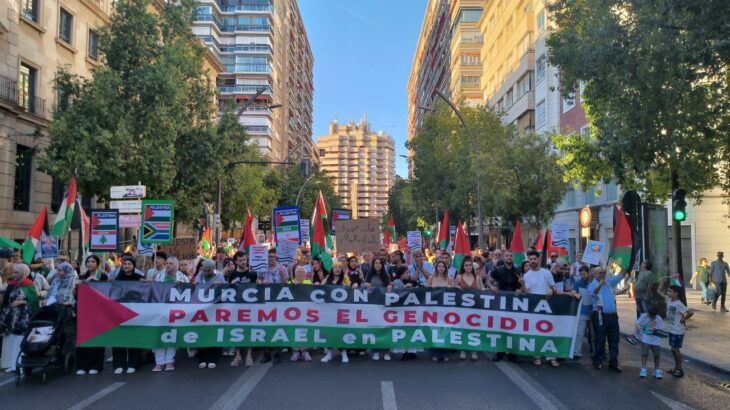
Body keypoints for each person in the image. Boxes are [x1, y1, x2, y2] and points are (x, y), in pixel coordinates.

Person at [588, 266, 629, 372]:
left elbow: (621, 275)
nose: (603, 274)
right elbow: (593, 293)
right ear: (594, 274)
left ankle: (614, 362)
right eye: (600, 273)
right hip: (600, 315)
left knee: (614, 339)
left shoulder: (609, 281)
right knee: (600, 339)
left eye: (603, 272)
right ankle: (598, 361)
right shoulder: (592, 284)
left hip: (612, 315)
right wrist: (599, 285)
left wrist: (626, 263)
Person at [523, 250, 560, 368]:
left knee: (549, 333)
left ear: (538, 259)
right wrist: (522, 286)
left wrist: (551, 291)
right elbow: (527, 292)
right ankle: (537, 356)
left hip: (547, 308)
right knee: (535, 333)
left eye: (534, 259)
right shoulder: (526, 275)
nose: (532, 261)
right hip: (533, 309)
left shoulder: (546, 273)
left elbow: (554, 287)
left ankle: (551, 357)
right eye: (530, 259)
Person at [0, 264, 40, 372]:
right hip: (11, 316)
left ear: (23, 273)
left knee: (18, 339)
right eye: (13, 272)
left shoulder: (29, 285)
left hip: (23, 316)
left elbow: (33, 300)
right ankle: (9, 364)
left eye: (16, 272)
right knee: (9, 338)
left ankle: (18, 364)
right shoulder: (11, 284)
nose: (13, 274)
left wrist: (21, 302)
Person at [487, 251, 523, 362]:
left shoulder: (518, 270)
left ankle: (513, 353)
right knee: (501, 327)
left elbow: (522, 285)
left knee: (514, 328)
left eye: (511, 256)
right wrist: (491, 287)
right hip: (501, 303)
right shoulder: (498, 270)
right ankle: (500, 352)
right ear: (503, 258)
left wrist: (520, 288)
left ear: (513, 258)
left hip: (515, 303)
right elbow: (488, 280)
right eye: (507, 255)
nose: (509, 257)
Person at [75, 255, 108, 375]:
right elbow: (76, 294)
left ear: (97, 264)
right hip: (84, 311)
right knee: (83, 337)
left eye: (93, 261)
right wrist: (80, 285)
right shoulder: (82, 277)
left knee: (97, 337)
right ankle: (82, 365)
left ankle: (96, 365)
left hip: (98, 311)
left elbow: (106, 293)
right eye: (88, 261)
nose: (90, 263)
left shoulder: (103, 276)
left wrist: (96, 283)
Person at [112, 257, 144, 374]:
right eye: (124, 263)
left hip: (135, 311)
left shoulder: (139, 278)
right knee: (119, 337)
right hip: (119, 311)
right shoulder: (117, 279)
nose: (126, 265)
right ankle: (119, 364)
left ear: (133, 266)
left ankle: (133, 363)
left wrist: (146, 284)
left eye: (129, 263)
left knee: (133, 337)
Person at [658, 279, 693, 378]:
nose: (668, 293)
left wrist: (684, 319)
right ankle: (676, 367)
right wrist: (662, 281)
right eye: (668, 291)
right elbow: (659, 291)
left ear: (676, 293)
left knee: (675, 349)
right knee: (673, 349)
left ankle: (680, 369)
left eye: (670, 291)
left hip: (678, 330)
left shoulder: (679, 304)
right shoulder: (668, 300)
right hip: (672, 329)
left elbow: (690, 312)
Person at [193, 259, 224, 368]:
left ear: (213, 269)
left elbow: (225, 289)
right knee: (201, 332)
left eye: (209, 270)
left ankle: (212, 359)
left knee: (213, 332)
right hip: (202, 308)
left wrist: (220, 285)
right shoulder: (199, 275)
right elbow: (195, 288)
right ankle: (202, 358)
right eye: (204, 270)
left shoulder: (219, 275)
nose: (206, 272)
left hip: (215, 308)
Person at [228, 251, 257, 367]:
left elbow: (258, 286)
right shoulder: (233, 274)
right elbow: (228, 289)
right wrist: (231, 283)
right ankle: (238, 355)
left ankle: (249, 355)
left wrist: (261, 282)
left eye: (244, 259)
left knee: (249, 330)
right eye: (240, 260)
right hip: (236, 307)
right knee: (237, 330)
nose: (243, 262)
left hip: (250, 307)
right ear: (236, 262)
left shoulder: (252, 274)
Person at [321, 263, 351, 363]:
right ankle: (329, 353)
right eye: (335, 267)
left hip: (341, 310)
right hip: (329, 310)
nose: (337, 269)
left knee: (342, 331)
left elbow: (350, 289)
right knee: (329, 331)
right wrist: (324, 279)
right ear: (332, 269)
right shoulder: (328, 279)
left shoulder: (344, 279)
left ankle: (344, 352)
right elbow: (320, 288)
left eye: (339, 268)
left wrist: (346, 282)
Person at [455, 256, 483, 361]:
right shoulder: (459, 277)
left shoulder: (477, 278)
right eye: (466, 265)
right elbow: (453, 290)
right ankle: (462, 349)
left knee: (473, 329)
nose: (468, 267)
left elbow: (482, 290)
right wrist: (457, 288)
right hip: (462, 308)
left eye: (470, 265)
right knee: (463, 328)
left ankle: (473, 349)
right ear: (463, 267)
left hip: (475, 308)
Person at [365, 258, 391, 361]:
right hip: (373, 305)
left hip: (384, 306)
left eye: (379, 263)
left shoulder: (386, 275)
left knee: (385, 328)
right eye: (376, 263)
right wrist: (366, 285)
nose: (377, 265)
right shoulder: (369, 275)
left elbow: (389, 285)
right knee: (375, 329)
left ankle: (386, 351)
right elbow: (364, 287)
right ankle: (375, 351)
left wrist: (390, 286)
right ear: (373, 265)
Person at [428, 260, 452, 362]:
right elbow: (426, 292)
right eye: (439, 266)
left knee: (445, 331)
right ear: (436, 268)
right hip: (434, 309)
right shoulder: (431, 278)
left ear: (445, 268)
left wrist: (450, 287)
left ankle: (445, 353)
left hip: (445, 309)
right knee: (435, 331)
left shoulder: (449, 279)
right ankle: (435, 353)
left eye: (443, 266)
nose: (441, 268)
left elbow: (453, 293)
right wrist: (430, 287)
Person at [634, 304, 664, 379]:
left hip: (655, 339)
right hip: (646, 338)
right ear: (648, 312)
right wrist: (640, 328)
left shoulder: (659, 318)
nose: (650, 316)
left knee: (656, 355)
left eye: (652, 316)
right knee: (644, 354)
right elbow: (637, 323)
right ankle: (643, 369)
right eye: (649, 315)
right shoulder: (644, 316)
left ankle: (657, 369)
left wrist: (655, 331)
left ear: (656, 314)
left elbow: (661, 329)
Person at [572, 266, 593, 359]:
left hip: (593, 313)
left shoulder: (594, 282)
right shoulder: (578, 283)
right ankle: (577, 352)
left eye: (584, 274)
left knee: (593, 335)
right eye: (581, 275)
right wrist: (574, 293)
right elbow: (573, 291)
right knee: (580, 333)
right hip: (582, 312)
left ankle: (594, 352)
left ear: (589, 273)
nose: (582, 276)